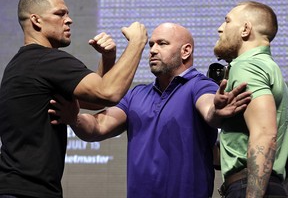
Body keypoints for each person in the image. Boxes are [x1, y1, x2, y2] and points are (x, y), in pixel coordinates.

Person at [49, 22, 252, 198]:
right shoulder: (137, 94)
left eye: (162, 44)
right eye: (151, 44)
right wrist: (73, 118)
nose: (153, 50)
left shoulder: (200, 85)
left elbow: (209, 110)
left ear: (186, 51)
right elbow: (99, 126)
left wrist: (217, 112)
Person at [0, 0, 147, 198]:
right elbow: (109, 93)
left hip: (17, 188)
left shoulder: (23, 64)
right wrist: (137, 43)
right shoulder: (48, 60)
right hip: (27, 192)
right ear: (36, 20)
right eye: (60, 14)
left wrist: (108, 58)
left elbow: (94, 102)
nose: (69, 20)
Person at [214, 1, 288, 197]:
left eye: (227, 21)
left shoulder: (247, 66)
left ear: (245, 29)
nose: (220, 29)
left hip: (251, 187)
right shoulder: (269, 68)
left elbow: (265, 133)